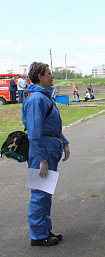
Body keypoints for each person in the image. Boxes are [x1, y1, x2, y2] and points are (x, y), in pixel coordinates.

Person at [22, 62, 70, 246]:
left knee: (46, 192)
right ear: (40, 76)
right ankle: (38, 235)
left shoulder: (45, 98)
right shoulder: (37, 99)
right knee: (40, 193)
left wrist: (64, 142)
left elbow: (52, 126)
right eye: (49, 73)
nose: (52, 76)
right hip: (42, 152)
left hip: (49, 149)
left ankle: (45, 230)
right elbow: (34, 132)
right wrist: (41, 158)